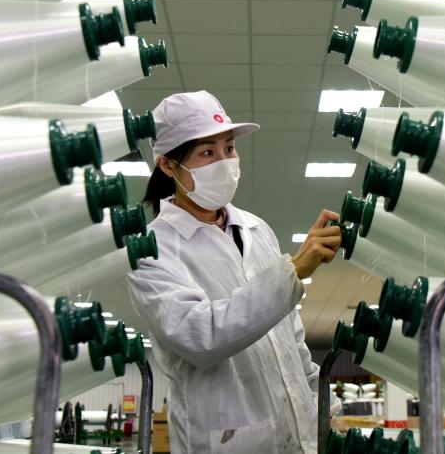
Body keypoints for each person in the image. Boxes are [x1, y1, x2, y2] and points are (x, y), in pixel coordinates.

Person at [127, 90, 342, 454]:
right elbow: (201, 337)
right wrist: (292, 271)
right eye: (207, 153)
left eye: (229, 148)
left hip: (301, 437)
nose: (225, 161)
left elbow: (290, 341)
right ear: (168, 165)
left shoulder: (257, 230)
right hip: (225, 440)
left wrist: (328, 411)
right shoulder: (151, 248)